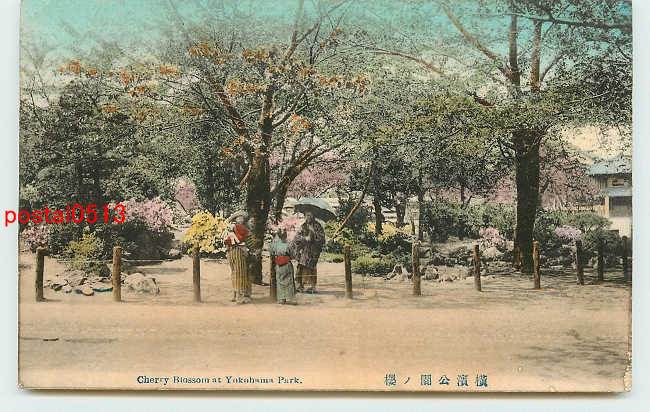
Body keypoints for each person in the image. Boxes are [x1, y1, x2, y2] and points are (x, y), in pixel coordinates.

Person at [290, 212, 325, 293]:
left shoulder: (317, 226)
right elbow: (297, 237)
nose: (308, 217)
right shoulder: (304, 226)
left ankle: (312, 286)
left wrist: (314, 234)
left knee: (311, 267)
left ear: (313, 216)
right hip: (304, 249)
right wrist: (304, 238)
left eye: (310, 215)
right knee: (300, 266)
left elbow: (322, 239)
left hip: (313, 250)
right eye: (307, 215)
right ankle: (300, 285)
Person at [223, 213, 252, 304]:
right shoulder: (233, 228)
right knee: (236, 273)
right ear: (235, 219)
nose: (241, 219)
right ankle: (237, 294)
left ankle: (241, 295)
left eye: (242, 218)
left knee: (240, 272)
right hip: (233, 251)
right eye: (239, 218)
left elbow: (244, 239)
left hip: (239, 251)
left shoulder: (242, 228)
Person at [268, 228, 297, 305]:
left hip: (279, 264)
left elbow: (271, 252)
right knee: (289, 280)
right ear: (286, 236)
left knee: (280, 281)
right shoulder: (289, 245)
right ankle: (289, 297)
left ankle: (281, 299)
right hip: (287, 263)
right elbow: (293, 255)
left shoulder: (275, 245)